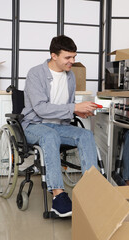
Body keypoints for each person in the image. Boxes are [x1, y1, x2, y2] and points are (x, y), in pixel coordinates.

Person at [21, 35, 98, 217]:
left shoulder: (70, 76)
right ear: (53, 55)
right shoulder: (36, 73)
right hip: (35, 125)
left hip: (59, 126)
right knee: (50, 136)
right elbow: (40, 109)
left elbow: (65, 104)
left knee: (86, 135)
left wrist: (77, 111)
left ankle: (93, 192)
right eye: (68, 58)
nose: (73, 61)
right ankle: (58, 196)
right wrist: (74, 107)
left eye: (74, 57)